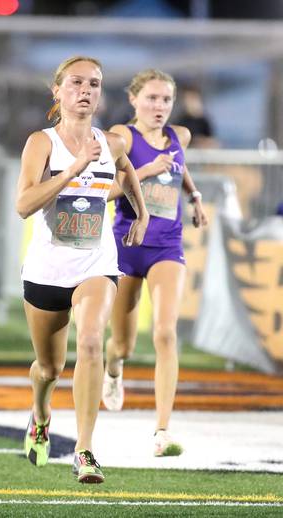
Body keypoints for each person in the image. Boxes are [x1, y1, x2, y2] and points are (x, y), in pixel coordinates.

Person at [16, 56, 149, 484]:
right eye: (76, 82)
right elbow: (23, 206)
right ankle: (40, 412)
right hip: (47, 270)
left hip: (97, 264)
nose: (86, 90)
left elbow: (127, 170)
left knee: (92, 341)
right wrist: (73, 170)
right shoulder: (42, 142)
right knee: (49, 369)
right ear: (57, 91)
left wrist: (141, 213)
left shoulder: (110, 141)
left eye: (94, 83)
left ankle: (84, 450)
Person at [102, 69, 208, 457]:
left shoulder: (181, 135)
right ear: (134, 100)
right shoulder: (121, 136)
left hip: (167, 245)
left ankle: (162, 430)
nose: (159, 106)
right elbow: (108, 191)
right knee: (123, 345)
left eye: (165, 99)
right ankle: (113, 371)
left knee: (165, 333)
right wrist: (145, 171)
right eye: (151, 98)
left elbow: (179, 166)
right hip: (127, 244)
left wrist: (194, 196)